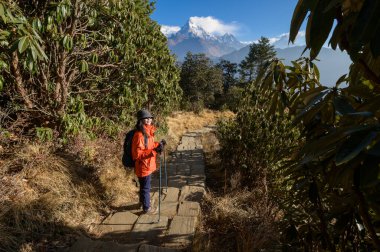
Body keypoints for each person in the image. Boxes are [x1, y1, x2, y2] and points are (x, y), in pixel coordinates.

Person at [131, 109, 166, 214]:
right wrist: (154, 151)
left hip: (147, 164)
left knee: (143, 186)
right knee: (146, 187)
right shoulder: (139, 135)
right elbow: (138, 154)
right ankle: (147, 208)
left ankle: (143, 202)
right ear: (141, 121)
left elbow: (149, 146)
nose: (149, 120)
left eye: (150, 118)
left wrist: (158, 145)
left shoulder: (147, 132)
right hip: (143, 165)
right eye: (146, 118)